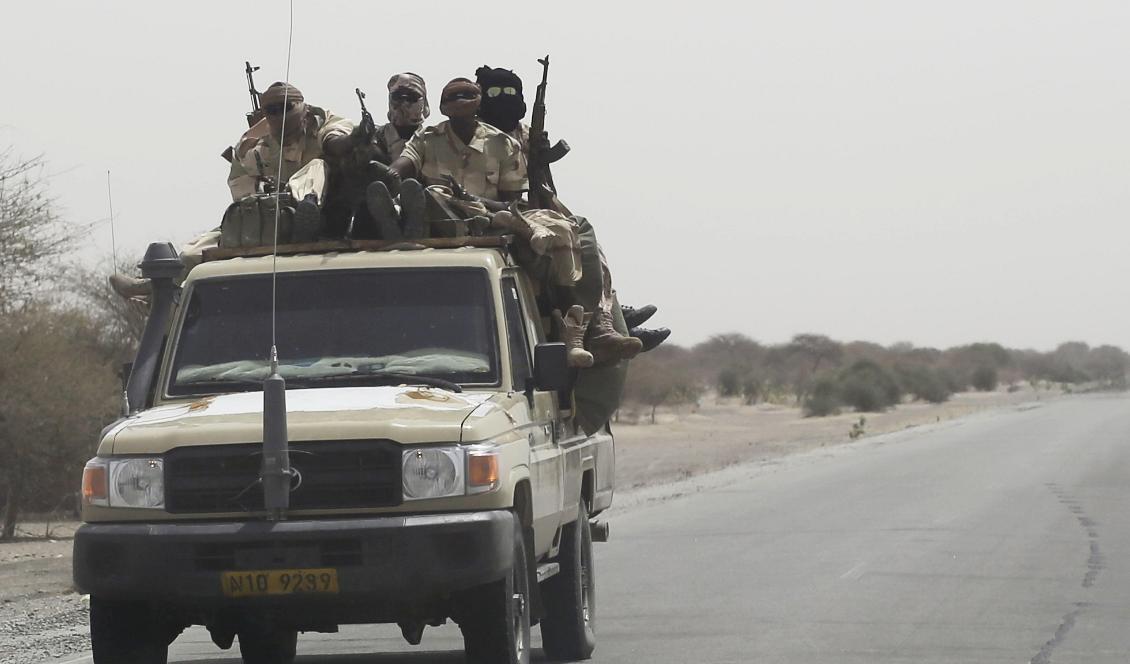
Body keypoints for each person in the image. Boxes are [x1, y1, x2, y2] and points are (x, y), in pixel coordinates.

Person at [475, 65, 670, 354]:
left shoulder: (528, 134)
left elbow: (544, 187)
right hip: (493, 210)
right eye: (494, 92)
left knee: (585, 238)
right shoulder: (474, 135)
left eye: (509, 92)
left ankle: (605, 316)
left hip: (534, 206)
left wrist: (541, 158)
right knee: (564, 245)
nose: (502, 98)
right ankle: (601, 320)